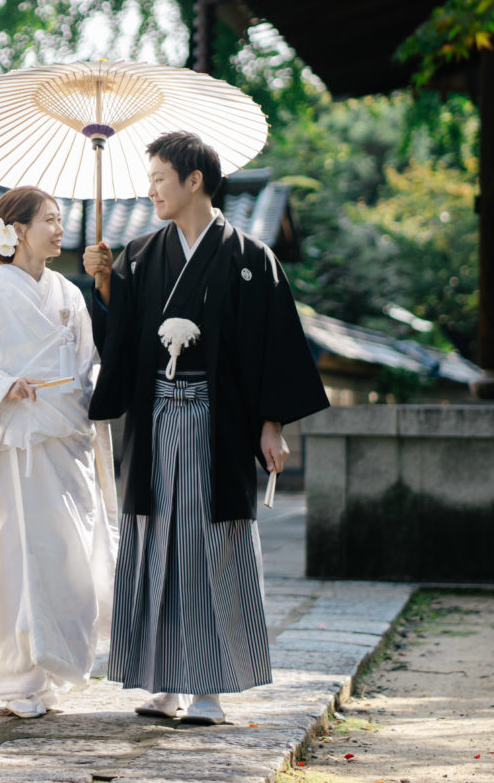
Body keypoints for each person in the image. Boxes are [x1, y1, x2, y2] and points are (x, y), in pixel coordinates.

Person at [83, 131, 329, 724]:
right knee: (155, 540)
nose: (151, 191)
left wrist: (270, 424)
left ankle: (210, 690)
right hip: (156, 416)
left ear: (194, 180)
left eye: (160, 180)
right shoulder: (139, 255)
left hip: (219, 423)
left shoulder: (249, 257)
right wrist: (106, 285)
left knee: (209, 545)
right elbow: (119, 341)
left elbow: (272, 346)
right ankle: (161, 681)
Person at [0, 186, 120, 718]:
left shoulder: (68, 291)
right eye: (50, 219)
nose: (60, 229)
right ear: (17, 230)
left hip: (65, 446)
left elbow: (89, 363)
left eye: (61, 219)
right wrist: (1, 386)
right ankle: (19, 679)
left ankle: (53, 668)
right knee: (19, 561)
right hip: (17, 449)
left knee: (70, 562)